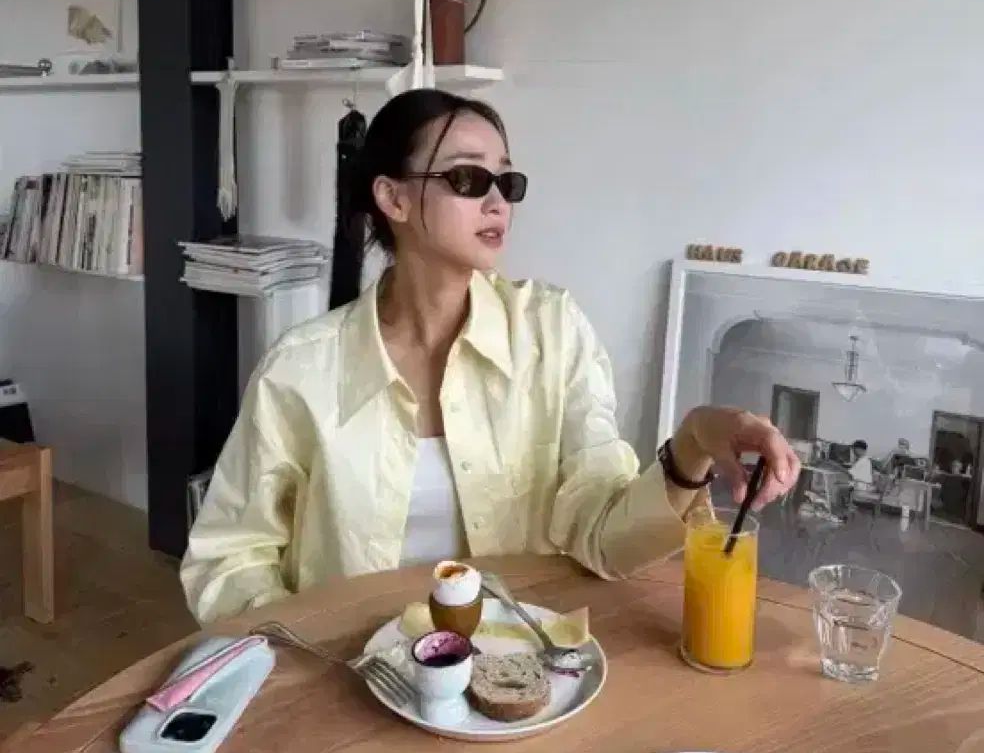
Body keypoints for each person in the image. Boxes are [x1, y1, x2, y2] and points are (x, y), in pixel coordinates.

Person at [180, 90, 800, 624]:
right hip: (349, 671)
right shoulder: (302, 369)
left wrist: (692, 444)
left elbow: (603, 539)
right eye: (468, 179)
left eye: (507, 181)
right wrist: (301, 650)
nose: (498, 201)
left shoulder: (552, 333)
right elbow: (228, 559)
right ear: (393, 199)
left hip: (514, 663)